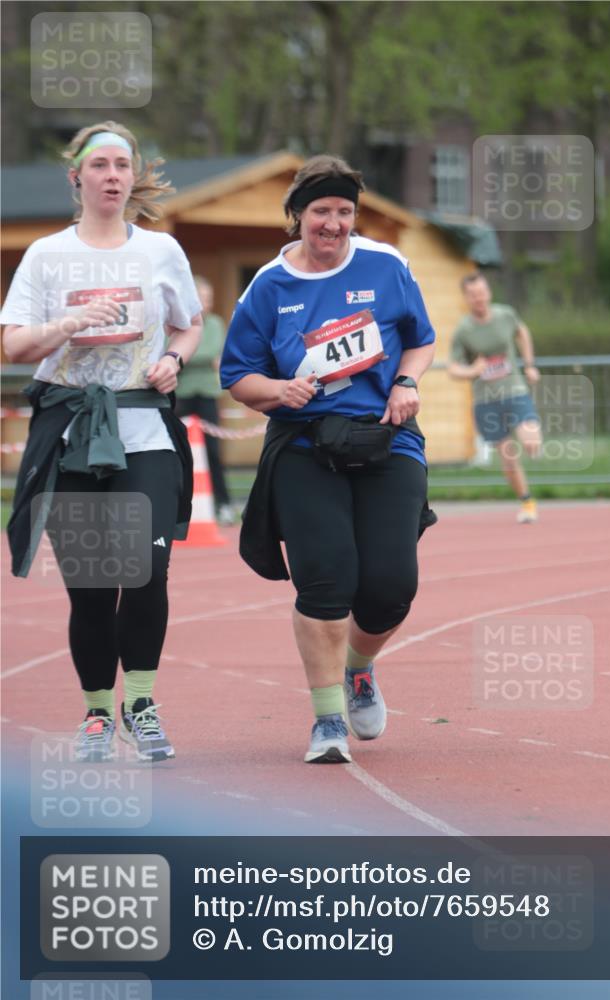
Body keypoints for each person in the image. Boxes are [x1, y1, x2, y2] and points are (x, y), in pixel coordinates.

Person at [220, 154, 437, 765]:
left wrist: (407, 384)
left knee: (391, 587)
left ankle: (359, 669)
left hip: (386, 437)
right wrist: (276, 391)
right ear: (297, 217)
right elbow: (237, 375)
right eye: (321, 212)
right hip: (305, 445)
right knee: (326, 581)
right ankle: (326, 722)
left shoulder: (387, 264)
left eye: (345, 211)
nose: (334, 224)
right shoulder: (269, 286)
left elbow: (419, 338)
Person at [1, 121, 202, 762]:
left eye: (122, 164)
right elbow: (13, 345)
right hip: (72, 434)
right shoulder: (46, 255)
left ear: (131, 176)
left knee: (147, 570)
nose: (112, 175)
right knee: (92, 587)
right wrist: (66, 323)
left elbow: (188, 325)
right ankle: (95, 714)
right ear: (77, 178)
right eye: (99, 166)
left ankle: (140, 702)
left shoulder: (161, 252)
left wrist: (174, 357)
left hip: (143, 430)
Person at [448, 273, 542, 523]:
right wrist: (472, 371)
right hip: (486, 401)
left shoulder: (505, 315)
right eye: (473, 295)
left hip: (514, 390)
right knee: (509, 455)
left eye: (482, 292)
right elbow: (453, 368)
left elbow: (522, 332)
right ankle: (527, 502)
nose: (478, 298)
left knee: (531, 441)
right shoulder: (464, 330)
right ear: (466, 298)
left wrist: (530, 364)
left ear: (488, 292)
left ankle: (533, 444)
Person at [175, 276, 235, 524]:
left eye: (209, 298)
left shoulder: (215, 324)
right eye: (202, 297)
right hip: (182, 394)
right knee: (178, 453)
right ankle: (179, 507)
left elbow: (212, 351)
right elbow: (182, 354)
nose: (207, 302)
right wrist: (190, 358)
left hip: (208, 394)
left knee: (213, 451)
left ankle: (223, 504)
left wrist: (186, 357)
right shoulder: (177, 324)